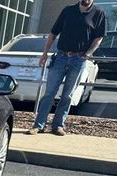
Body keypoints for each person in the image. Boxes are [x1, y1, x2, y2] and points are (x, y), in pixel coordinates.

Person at [29, 0, 107, 136]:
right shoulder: (68, 10)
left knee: (67, 95)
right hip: (61, 57)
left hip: (79, 59)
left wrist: (88, 54)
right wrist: (44, 53)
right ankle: (38, 125)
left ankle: (58, 125)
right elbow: (53, 34)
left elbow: (99, 38)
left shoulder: (99, 13)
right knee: (49, 93)